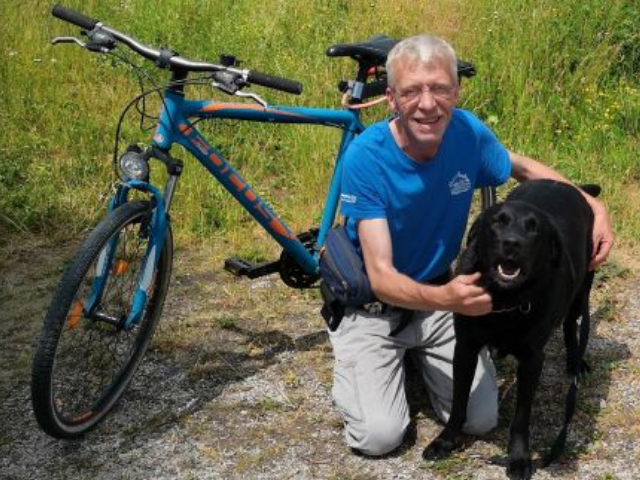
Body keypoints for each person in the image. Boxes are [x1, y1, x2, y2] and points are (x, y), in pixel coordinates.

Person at [330, 34, 614, 457]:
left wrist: (591, 203)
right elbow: (383, 276)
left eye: (440, 88)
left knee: (482, 420)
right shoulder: (367, 158)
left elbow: (521, 166)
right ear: (391, 97)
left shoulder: (465, 131)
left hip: (438, 295)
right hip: (375, 305)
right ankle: (376, 357)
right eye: (411, 91)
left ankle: (413, 359)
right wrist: (448, 298)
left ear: (455, 92)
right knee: (380, 437)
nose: (428, 104)